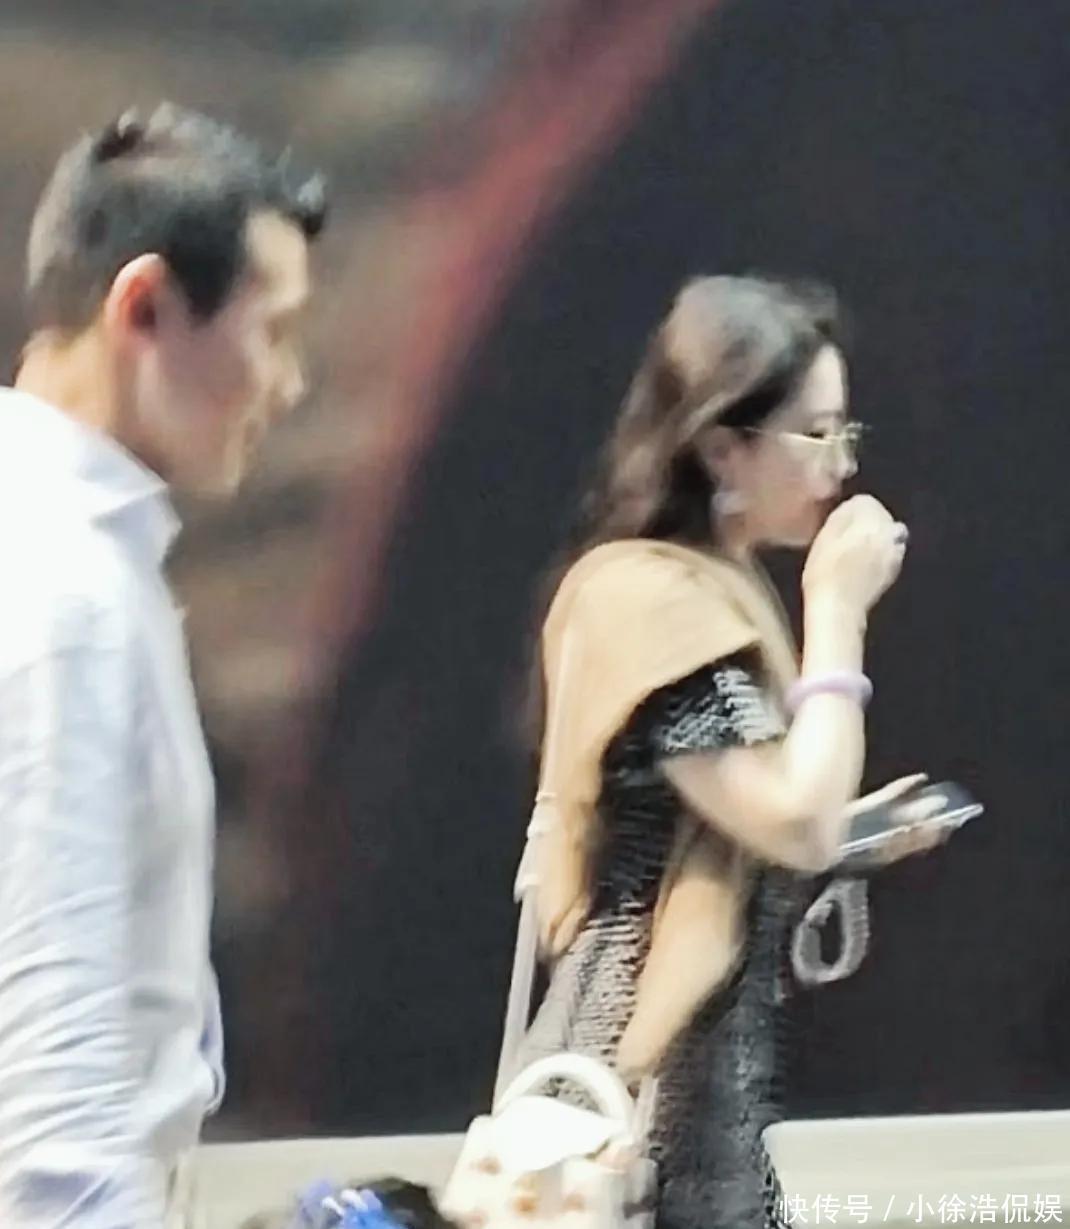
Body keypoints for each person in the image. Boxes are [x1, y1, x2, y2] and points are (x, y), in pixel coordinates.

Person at [515, 276, 946, 1229]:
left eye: (845, 432)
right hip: (634, 1086)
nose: (842, 463)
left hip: (701, 1096)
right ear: (721, 446)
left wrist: (860, 833)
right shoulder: (651, 601)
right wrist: (835, 609)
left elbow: (754, 818)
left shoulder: (706, 587)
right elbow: (792, 821)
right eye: (816, 433)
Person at [0, 104, 326, 1228]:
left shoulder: (76, 555)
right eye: (273, 332)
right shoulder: (60, 587)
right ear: (141, 307)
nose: (288, 383)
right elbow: (55, 1116)